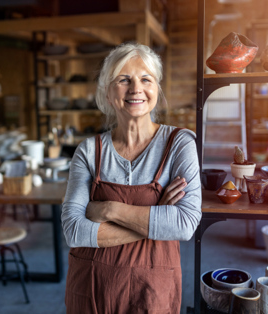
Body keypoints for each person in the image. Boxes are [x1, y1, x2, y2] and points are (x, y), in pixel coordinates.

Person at [61, 42, 202, 313]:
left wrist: (108, 209)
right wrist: (158, 217)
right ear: (108, 90)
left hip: (151, 290)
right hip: (91, 289)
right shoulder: (89, 151)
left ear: (157, 88)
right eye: (124, 79)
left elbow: (184, 224)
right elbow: (74, 231)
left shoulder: (179, 144)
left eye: (145, 79)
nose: (136, 88)